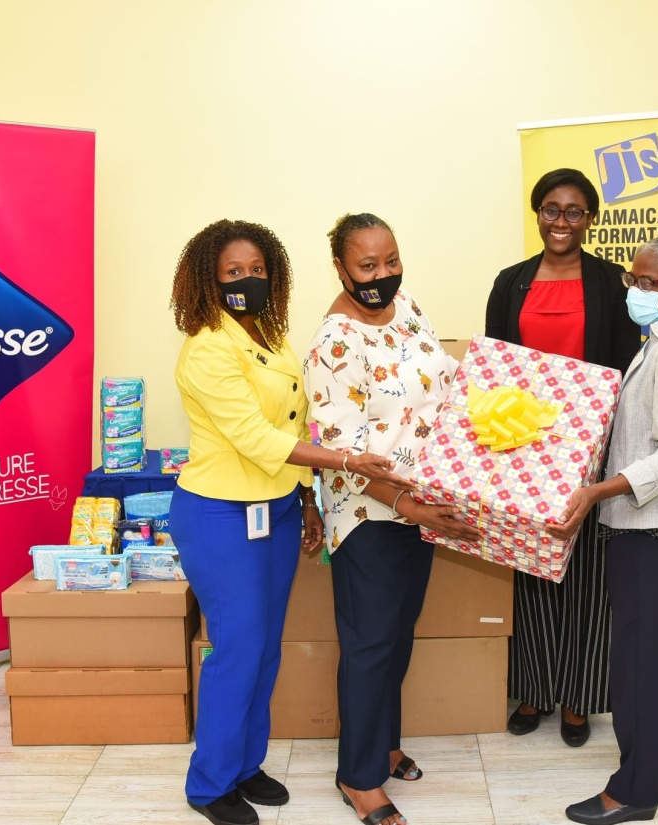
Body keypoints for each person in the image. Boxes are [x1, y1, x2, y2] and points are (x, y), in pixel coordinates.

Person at [168, 219, 411, 825]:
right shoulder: (207, 347)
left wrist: (307, 499)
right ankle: (209, 783)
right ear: (207, 281)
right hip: (221, 515)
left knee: (263, 650)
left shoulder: (269, 336)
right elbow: (254, 436)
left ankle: (246, 765)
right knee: (237, 649)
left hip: (275, 510)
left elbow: (297, 421)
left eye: (257, 270)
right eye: (232, 274)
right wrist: (346, 461)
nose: (248, 280)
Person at [305, 213, 482, 825]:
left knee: (397, 634)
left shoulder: (406, 305)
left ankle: (384, 743)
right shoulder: (334, 342)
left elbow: (439, 385)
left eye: (391, 261)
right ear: (341, 269)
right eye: (367, 267)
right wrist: (406, 503)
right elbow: (341, 446)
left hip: (422, 502)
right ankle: (358, 777)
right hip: (370, 513)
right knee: (369, 644)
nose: (383, 276)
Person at [548, 234, 658, 825]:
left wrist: (599, 490)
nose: (637, 291)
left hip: (652, 523)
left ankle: (634, 788)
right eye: (634, 279)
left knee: (637, 656)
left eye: (650, 283)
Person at [485, 167, 641, 746]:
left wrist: (588, 435)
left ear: (590, 219)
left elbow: (624, 370)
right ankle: (532, 688)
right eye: (551, 209)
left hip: (591, 450)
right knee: (529, 565)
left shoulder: (612, 283)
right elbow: (495, 368)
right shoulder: (511, 282)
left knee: (586, 574)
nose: (561, 222)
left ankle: (578, 698)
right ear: (538, 213)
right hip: (521, 447)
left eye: (574, 211)